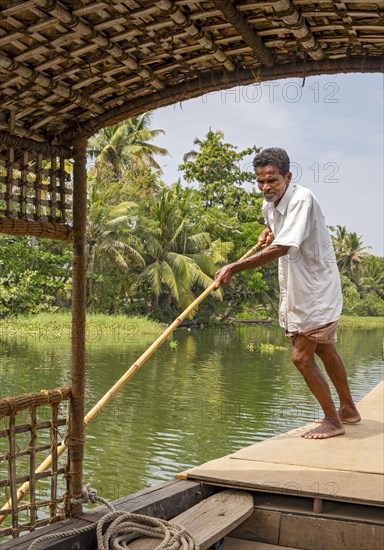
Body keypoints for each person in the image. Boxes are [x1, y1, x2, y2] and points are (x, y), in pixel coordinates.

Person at [214, 147, 361, 439]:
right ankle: (348, 410)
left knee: (300, 357)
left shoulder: (302, 199)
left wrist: (234, 266)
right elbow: (275, 231)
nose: (266, 187)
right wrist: (268, 231)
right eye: (260, 181)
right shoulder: (268, 206)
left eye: (272, 180)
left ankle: (333, 421)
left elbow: (284, 247)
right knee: (325, 350)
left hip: (317, 290)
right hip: (297, 287)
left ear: (287, 177)